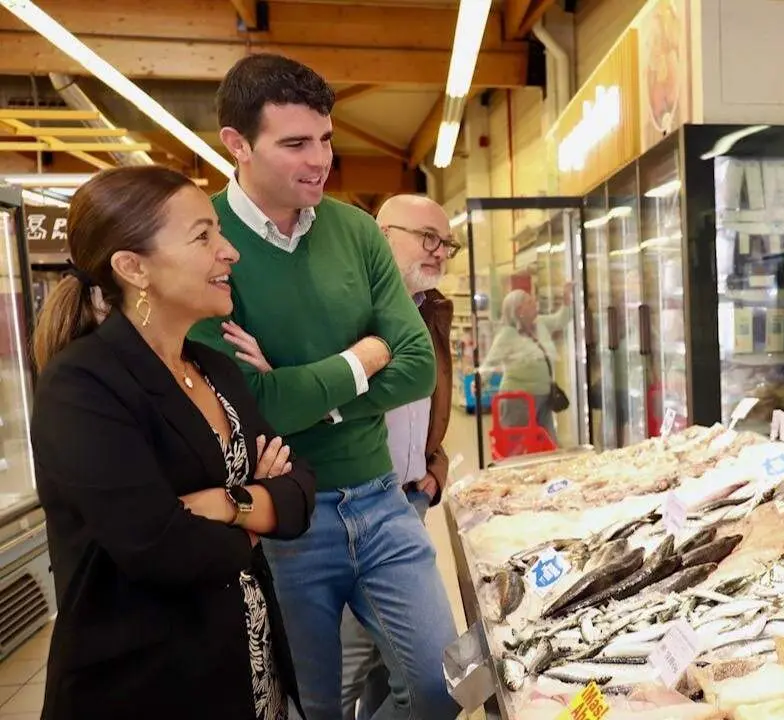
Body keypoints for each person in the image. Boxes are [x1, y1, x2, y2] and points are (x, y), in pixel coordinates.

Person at [187, 54, 450, 720]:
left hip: (383, 499)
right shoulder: (208, 244)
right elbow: (250, 407)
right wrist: (362, 357)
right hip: (287, 518)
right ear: (237, 144)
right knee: (314, 707)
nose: (319, 160)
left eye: (326, 139)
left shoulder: (356, 230)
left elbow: (418, 364)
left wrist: (310, 395)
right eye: (295, 143)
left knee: (444, 685)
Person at [29, 165, 316, 719]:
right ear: (133, 267)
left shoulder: (215, 370)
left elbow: (301, 488)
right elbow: (160, 547)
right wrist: (258, 507)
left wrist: (225, 505)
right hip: (149, 685)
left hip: (250, 671)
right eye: (203, 236)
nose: (229, 251)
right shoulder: (83, 384)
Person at [222, 195, 462, 720]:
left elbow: (420, 384)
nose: (441, 252)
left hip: (394, 501)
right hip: (300, 510)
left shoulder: (430, 310)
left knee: (438, 678)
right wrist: (364, 359)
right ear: (382, 233)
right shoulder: (340, 297)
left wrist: (434, 467)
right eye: (429, 238)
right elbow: (264, 406)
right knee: (323, 696)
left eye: (448, 243)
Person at [480, 285, 573, 446]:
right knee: (517, 445)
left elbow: (560, 320)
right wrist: (479, 382)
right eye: (530, 302)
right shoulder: (507, 334)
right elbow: (490, 363)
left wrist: (566, 300)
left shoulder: (541, 324)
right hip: (518, 401)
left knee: (549, 443)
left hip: (544, 397)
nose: (535, 303)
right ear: (518, 310)